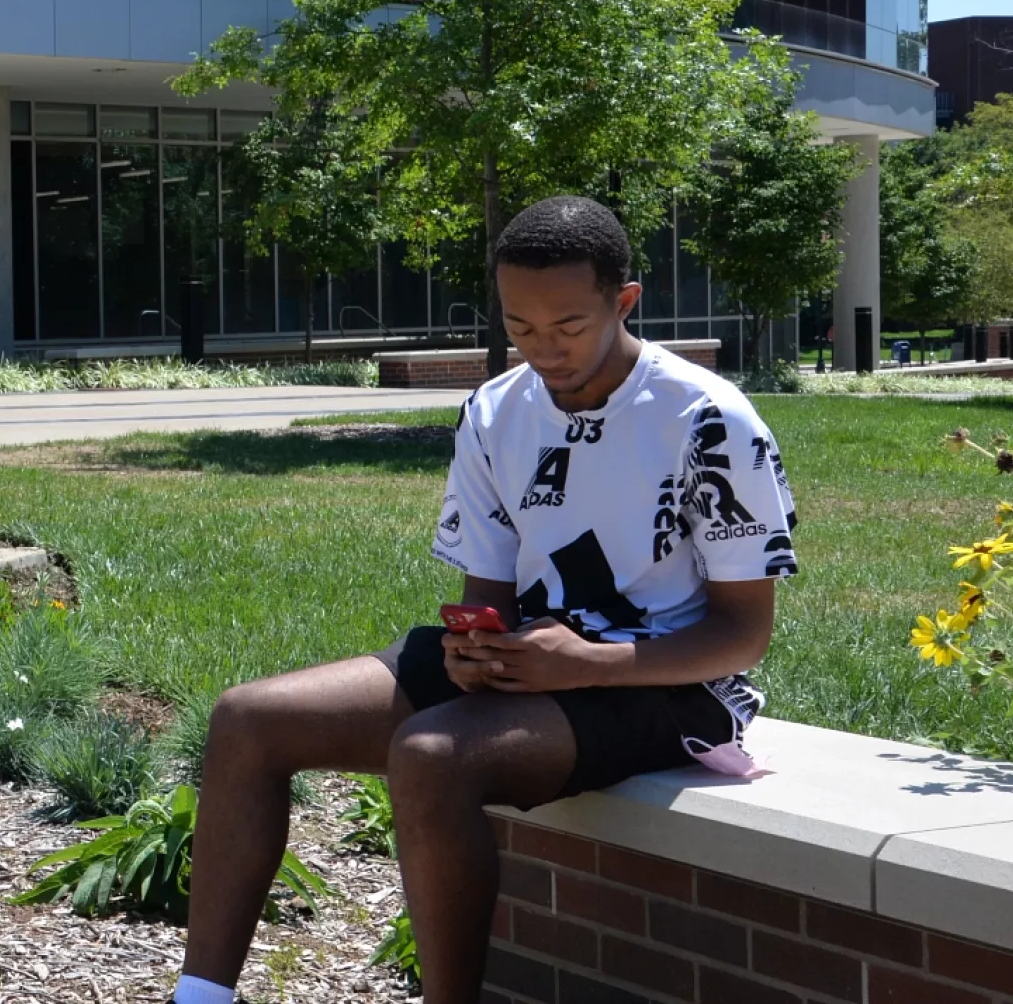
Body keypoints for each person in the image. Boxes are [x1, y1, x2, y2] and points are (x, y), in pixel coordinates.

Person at [171, 195, 796, 1004]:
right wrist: (475, 653)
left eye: (568, 327)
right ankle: (200, 997)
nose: (544, 350)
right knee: (248, 720)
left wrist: (591, 667)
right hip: (537, 657)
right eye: (520, 327)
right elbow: (488, 596)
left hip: (672, 688)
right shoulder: (496, 411)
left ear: (625, 301)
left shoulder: (708, 419)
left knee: (433, 756)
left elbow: (744, 637)